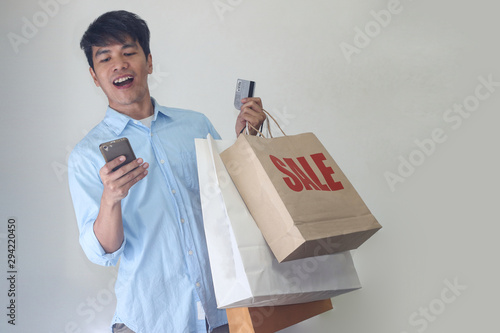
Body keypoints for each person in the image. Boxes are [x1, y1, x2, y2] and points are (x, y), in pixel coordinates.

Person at [68, 10, 265, 333]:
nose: (119, 64)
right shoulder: (87, 155)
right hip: (152, 318)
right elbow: (102, 252)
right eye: (105, 58)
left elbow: (232, 202)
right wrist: (111, 199)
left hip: (223, 310)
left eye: (129, 52)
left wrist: (247, 138)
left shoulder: (195, 124)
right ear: (94, 75)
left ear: (149, 61)